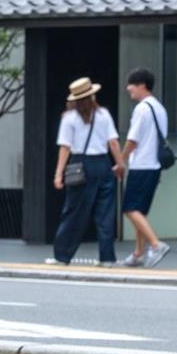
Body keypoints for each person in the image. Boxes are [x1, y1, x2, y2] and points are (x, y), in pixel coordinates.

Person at [50, 77, 123, 266]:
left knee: (74, 211)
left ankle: (62, 255)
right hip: (103, 164)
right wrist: (120, 164)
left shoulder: (69, 118)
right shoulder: (103, 114)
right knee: (105, 214)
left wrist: (58, 174)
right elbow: (113, 142)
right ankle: (107, 257)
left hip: (80, 165)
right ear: (92, 96)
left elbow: (65, 147)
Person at [118, 68, 171, 268]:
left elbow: (132, 140)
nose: (128, 88)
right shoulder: (159, 108)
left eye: (131, 84)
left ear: (142, 85)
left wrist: (121, 160)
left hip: (141, 165)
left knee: (130, 208)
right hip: (154, 166)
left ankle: (156, 245)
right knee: (140, 210)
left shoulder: (142, 109)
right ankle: (138, 253)